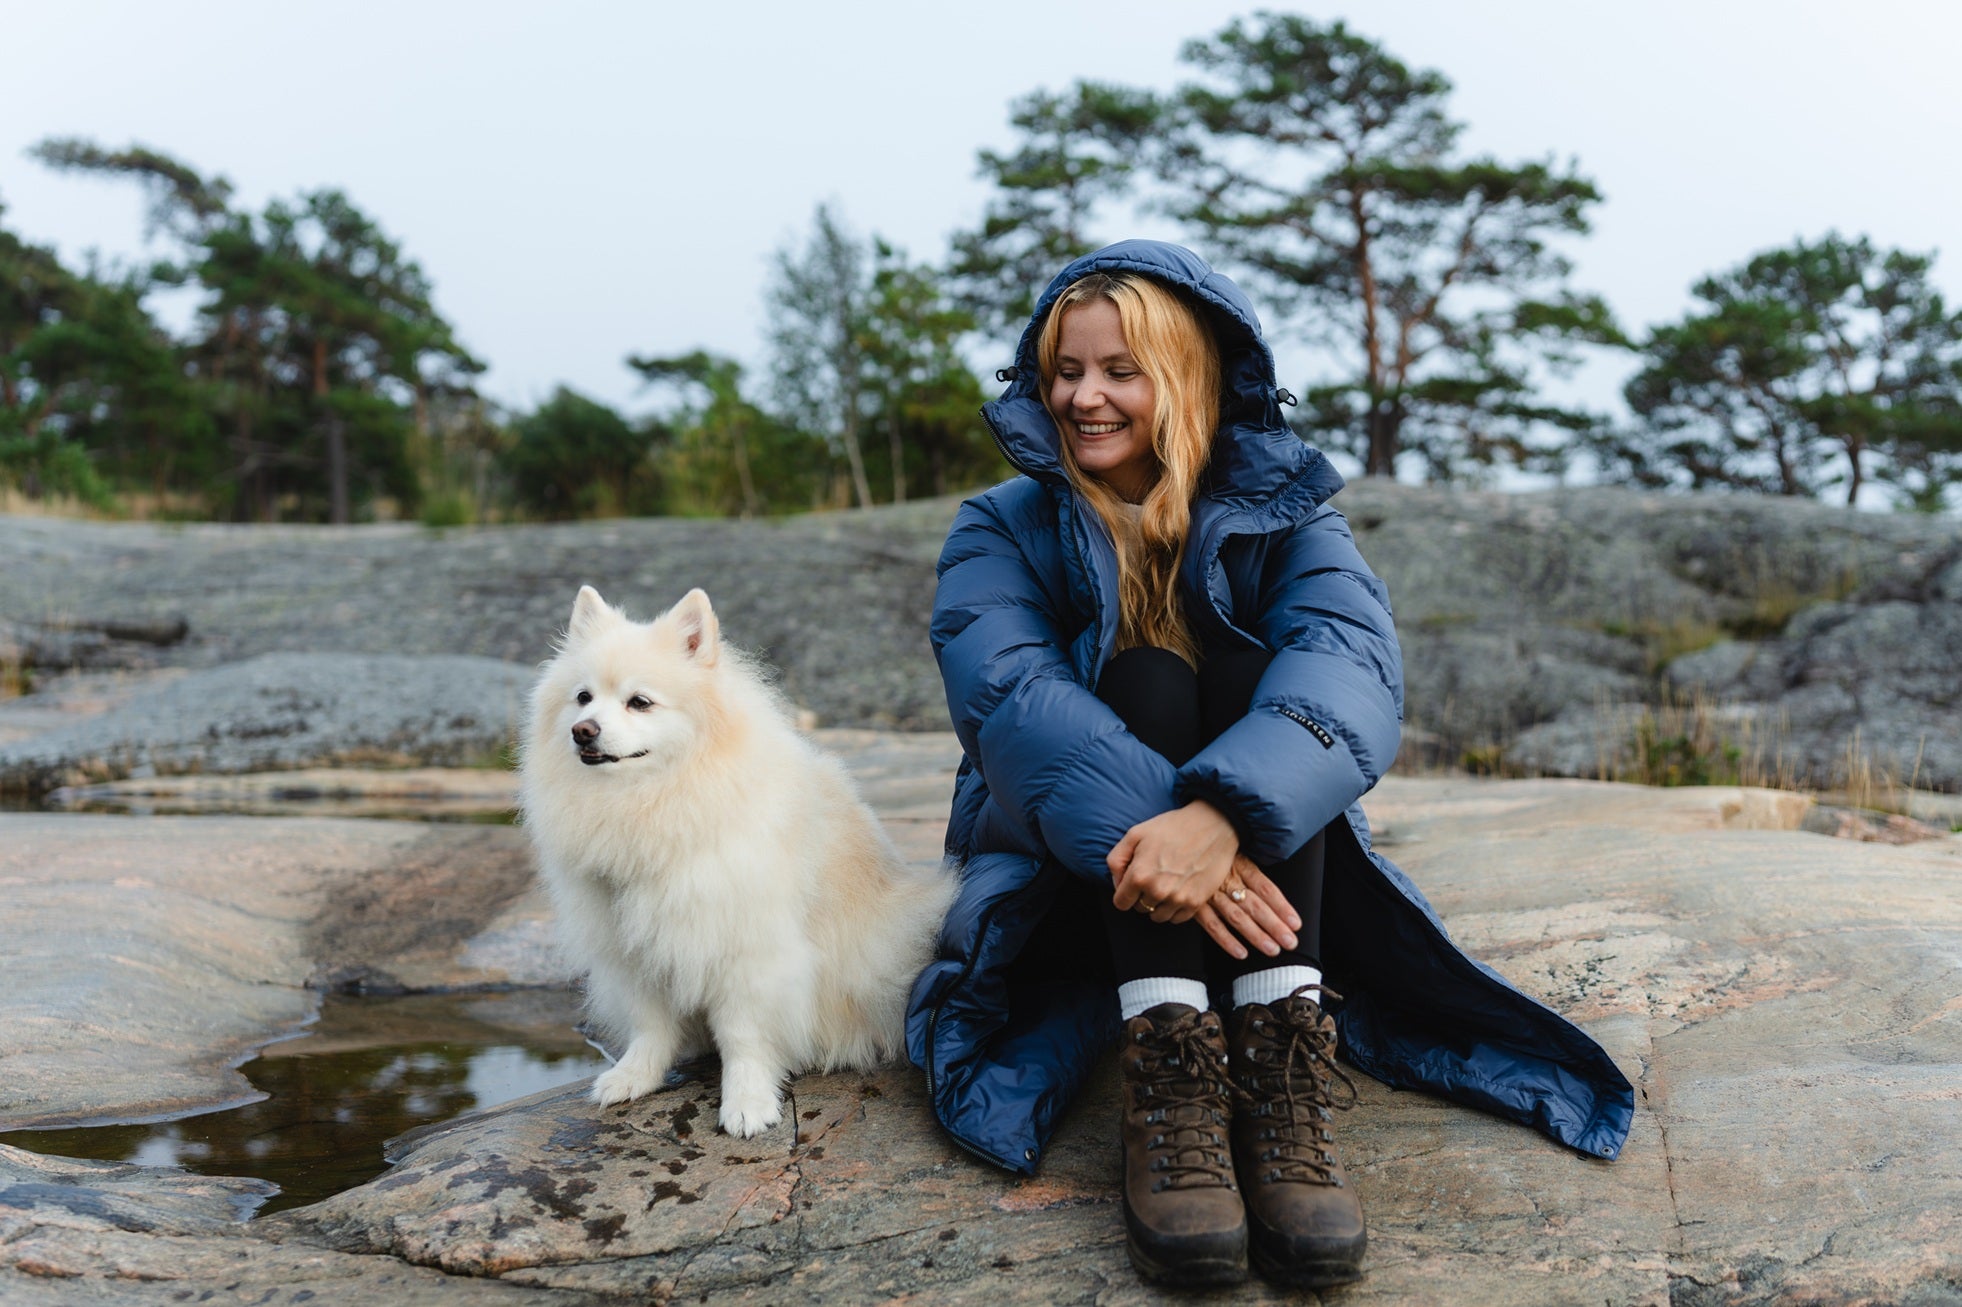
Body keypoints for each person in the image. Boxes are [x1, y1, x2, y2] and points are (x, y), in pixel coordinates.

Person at [906, 240, 1633, 1290]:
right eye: (1065, 370)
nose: (1083, 396)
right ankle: (1174, 1065)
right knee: (1146, 675)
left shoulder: (1292, 515)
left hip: (1262, 875)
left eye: (1120, 370)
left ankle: (1282, 1052)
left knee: (1252, 681)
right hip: (1075, 877)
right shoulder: (1001, 526)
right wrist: (1186, 825)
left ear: (1188, 377)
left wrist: (1225, 820)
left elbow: (1349, 674)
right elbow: (1009, 700)